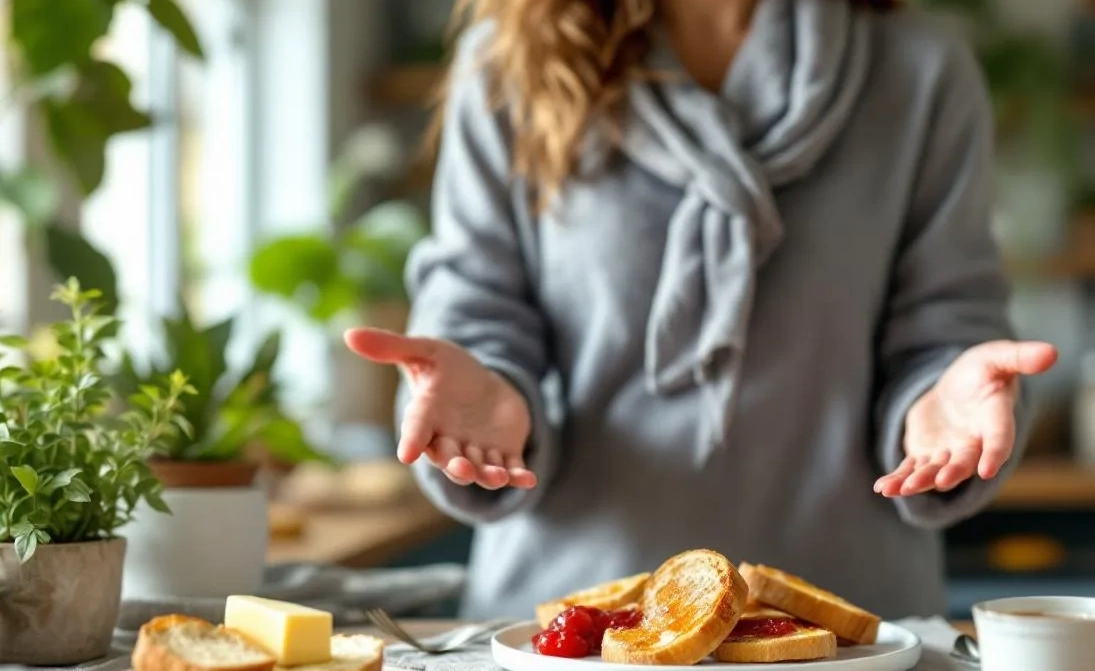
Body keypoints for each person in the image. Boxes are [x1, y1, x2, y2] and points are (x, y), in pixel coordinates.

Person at [345, 0, 1058, 621]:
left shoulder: (921, 72)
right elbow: (478, 307)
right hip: (576, 626)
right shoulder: (507, 68)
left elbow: (945, 321)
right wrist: (491, 397)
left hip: (845, 623)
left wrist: (939, 402)